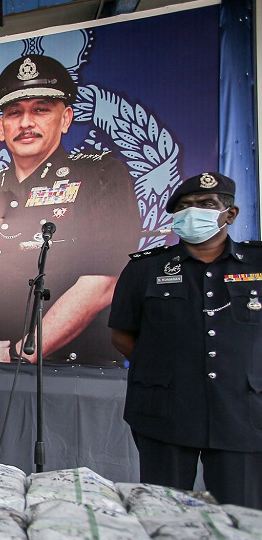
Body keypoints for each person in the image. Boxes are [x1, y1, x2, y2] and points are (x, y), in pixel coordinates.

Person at [0, 54, 141, 366]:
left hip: (70, 371)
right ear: (0, 128)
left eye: (40, 110)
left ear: (66, 118)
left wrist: (22, 351)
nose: (26, 123)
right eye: (15, 113)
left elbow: (103, 283)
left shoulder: (100, 175)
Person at [109, 172, 262, 508]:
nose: (194, 211)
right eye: (185, 207)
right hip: (166, 411)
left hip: (242, 412)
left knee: (241, 517)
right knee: (161, 510)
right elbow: (121, 334)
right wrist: (166, 367)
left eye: (206, 205)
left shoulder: (257, 263)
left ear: (230, 213)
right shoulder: (146, 269)